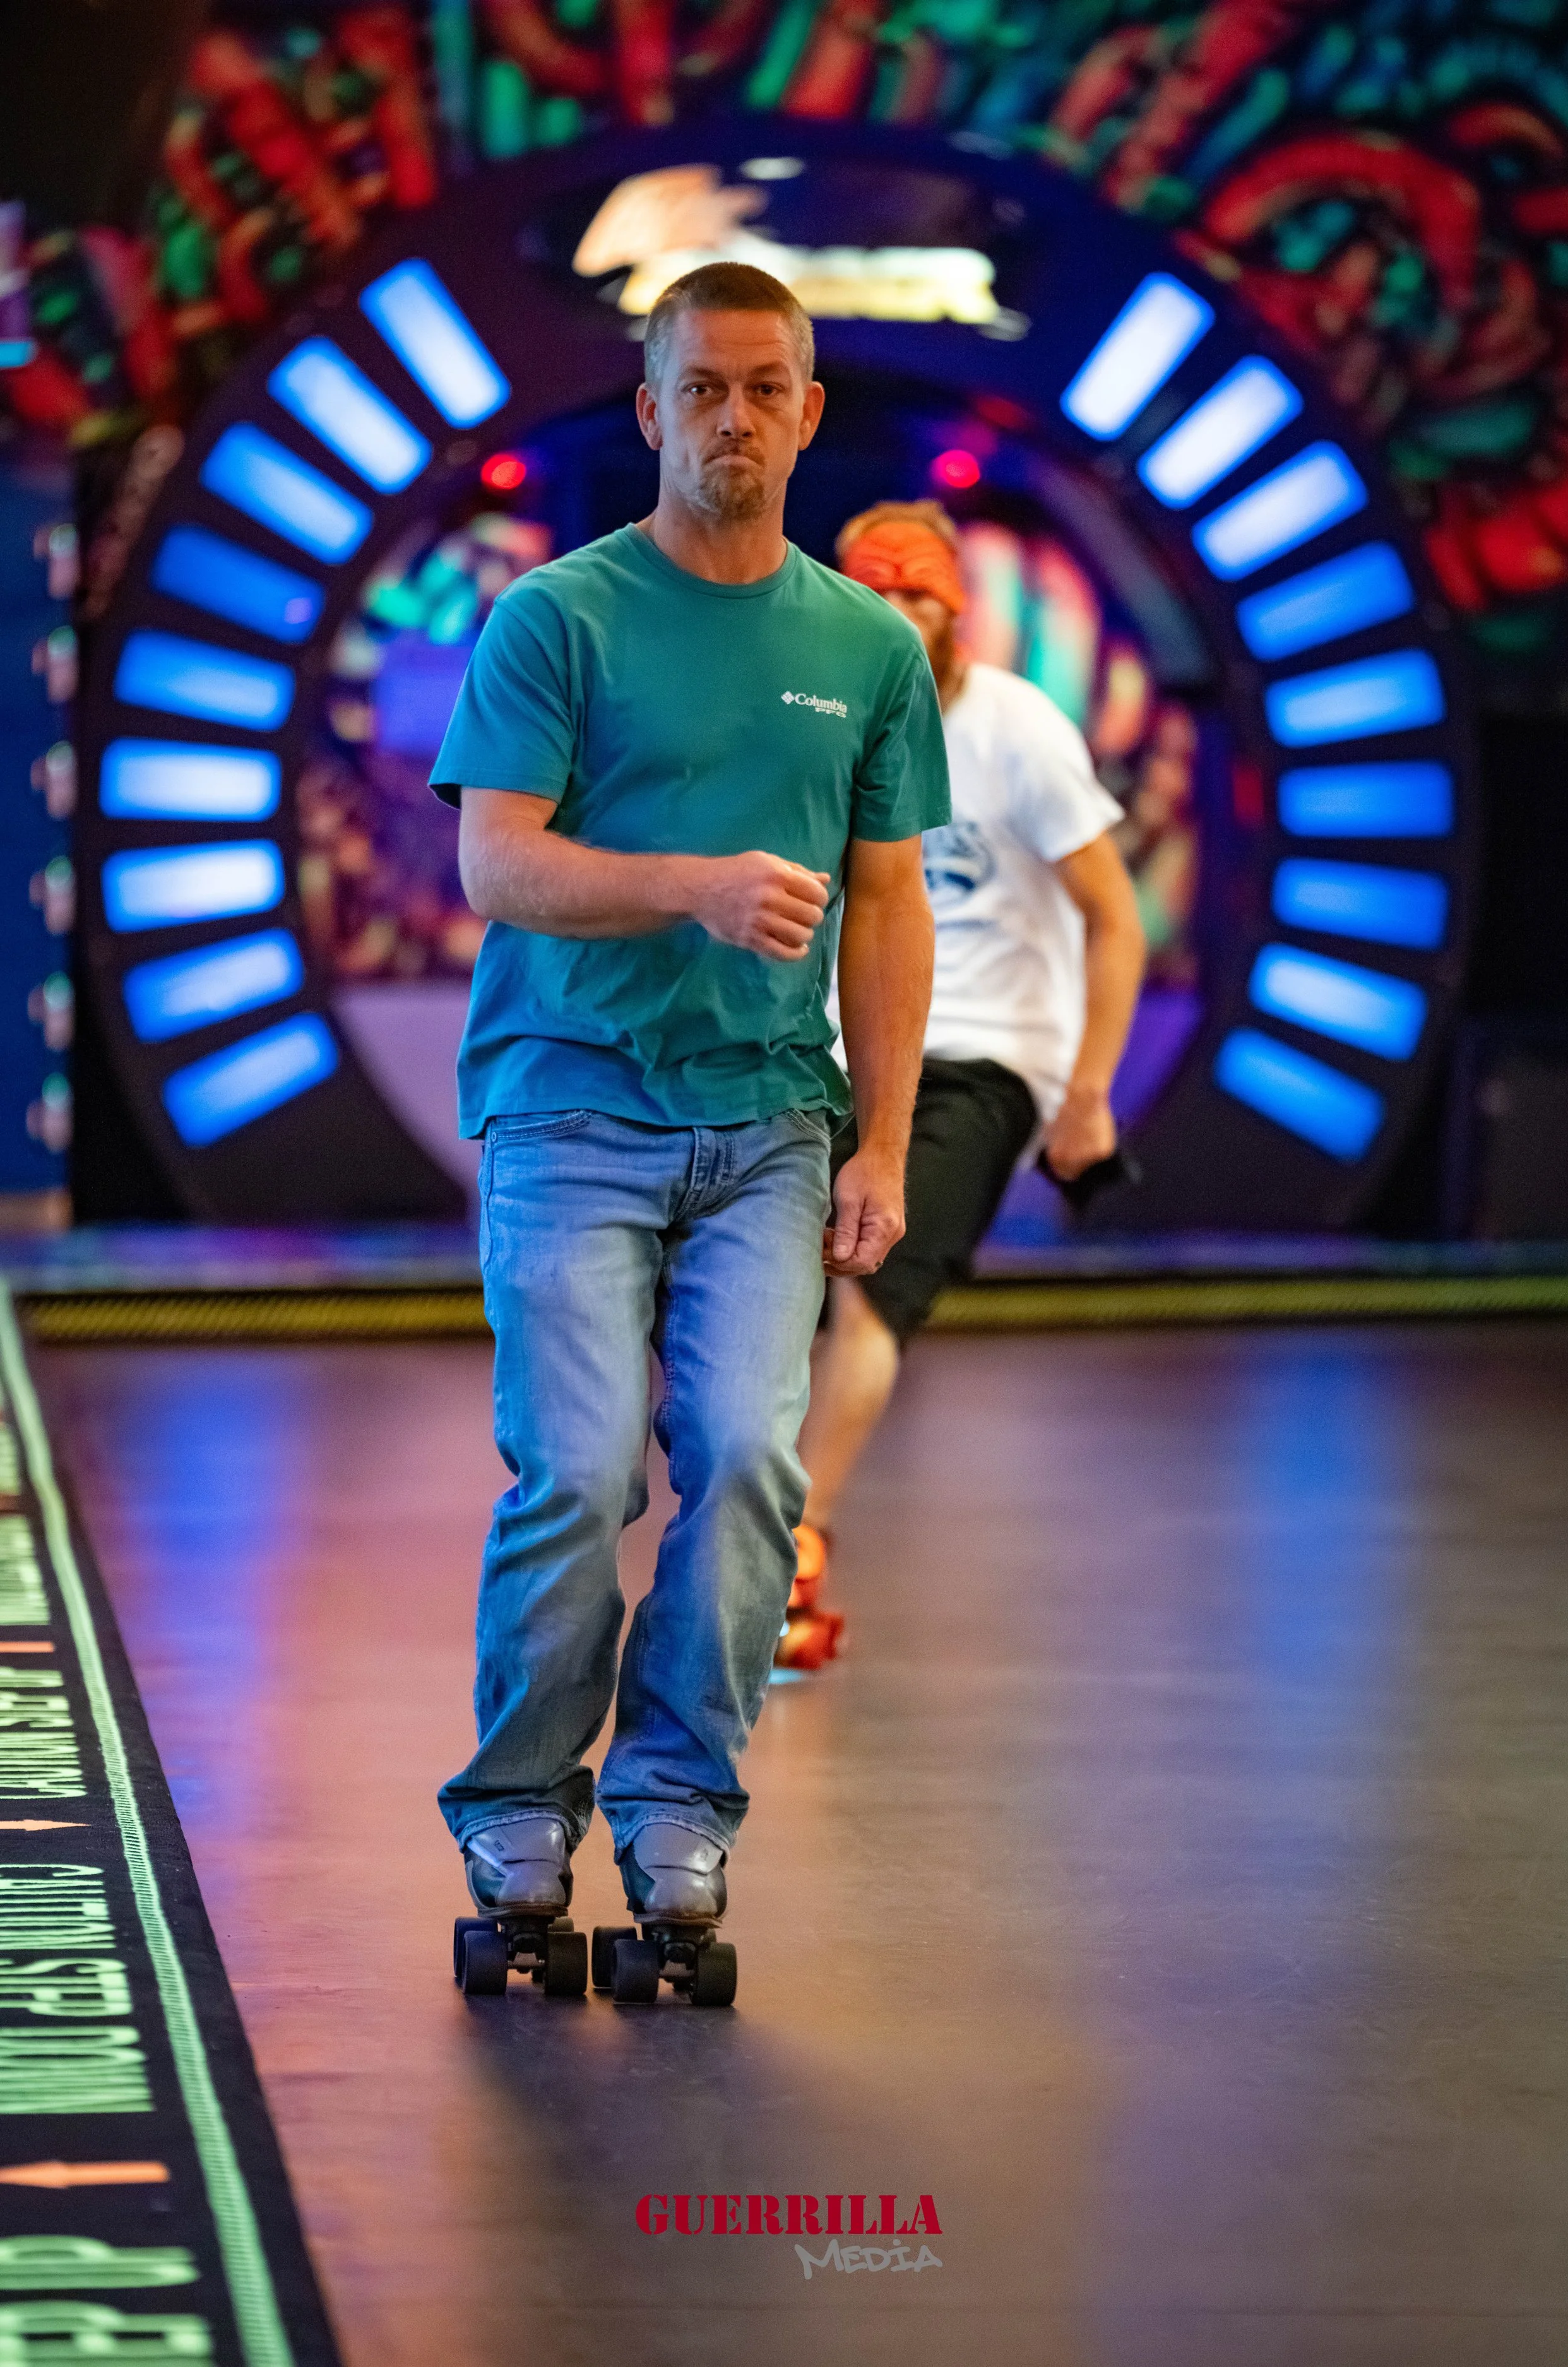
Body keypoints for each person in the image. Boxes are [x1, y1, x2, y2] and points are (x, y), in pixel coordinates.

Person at [427, 268, 949, 1972]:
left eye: (763, 388)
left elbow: (889, 905)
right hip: (568, 1107)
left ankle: (675, 1808)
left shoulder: (868, 647)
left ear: (807, 414)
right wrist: (693, 885)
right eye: (701, 389)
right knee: (579, 1469)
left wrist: (883, 1144)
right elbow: (496, 861)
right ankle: (518, 1800)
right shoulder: (556, 618)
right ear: (651, 412)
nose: (733, 417)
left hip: (770, 1129)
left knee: (742, 1462)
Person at [781, 501, 1147, 1671]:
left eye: (919, 596)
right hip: (844, 1045)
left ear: (955, 612)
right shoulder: (820, 720)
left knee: (870, 1285)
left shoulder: (1016, 728)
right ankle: (746, 1528)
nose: (898, 616)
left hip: (986, 1055)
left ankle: (796, 1544)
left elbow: (1115, 918)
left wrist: (1087, 1091)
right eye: (876, 594)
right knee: (759, 1284)